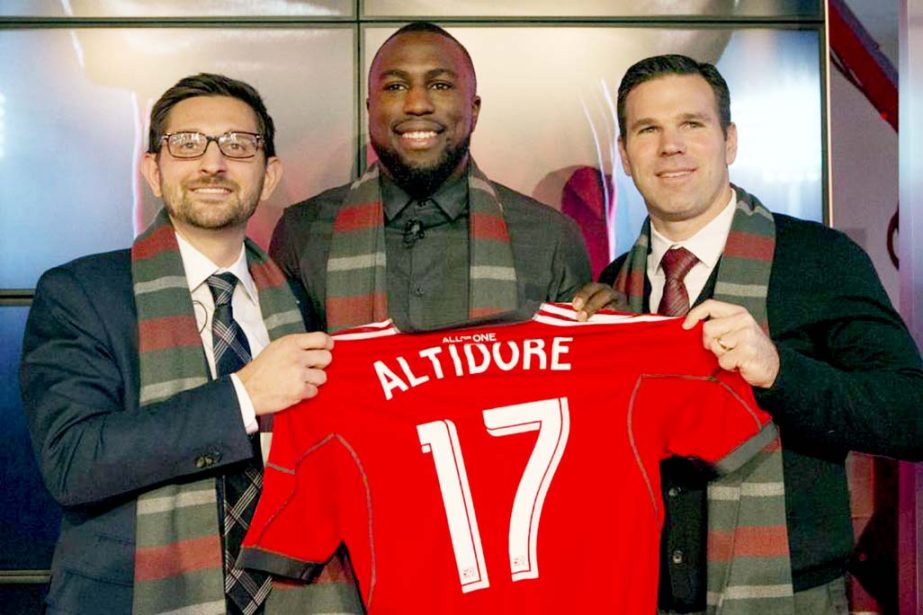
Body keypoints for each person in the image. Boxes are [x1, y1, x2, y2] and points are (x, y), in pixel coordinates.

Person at [575, 54, 923, 613]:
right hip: (641, 595)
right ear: (624, 153)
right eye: (648, 130)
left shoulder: (820, 260)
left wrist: (781, 371)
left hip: (790, 598)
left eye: (692, 124)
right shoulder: (612, 286)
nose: (671, 146)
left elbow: (913, 413)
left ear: (729, 140)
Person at [20, 74, 357, 614]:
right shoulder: (81, 294)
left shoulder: (304, 302)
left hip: (301, 594)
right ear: (154, 170)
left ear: (268, 176)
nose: (213, 163)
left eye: (238, 146)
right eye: (187, 144)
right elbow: (73, 462)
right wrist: (242, 397)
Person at [269, 21, 591, 333]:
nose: (417, 104)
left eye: (440, 85)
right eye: (395, 87)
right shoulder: (301, 233)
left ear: (473, 109)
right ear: (370, 109)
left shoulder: (551, 237)